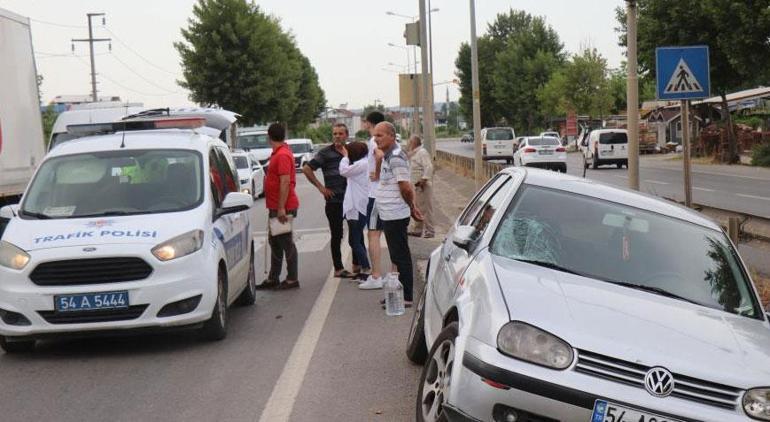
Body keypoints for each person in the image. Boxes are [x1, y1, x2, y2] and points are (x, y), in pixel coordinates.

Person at [372, 121, 423, 306]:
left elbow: (406, 187)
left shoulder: (395, 157)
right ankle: (399, 293)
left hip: (395, 214)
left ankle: (407, 297)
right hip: (388, 213)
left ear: (392, 136)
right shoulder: (387, 156)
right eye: (375, 135)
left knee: (400, 255)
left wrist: (412, 208)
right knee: (396, 256)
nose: (376, 139)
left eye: (380, 135)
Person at [302, 123, 351, 278]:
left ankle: (358, 265)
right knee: (337, 235)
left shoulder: (351, 151)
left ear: (346, 135)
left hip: (352, 200)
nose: (337, 136)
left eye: (340, 133)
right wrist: (321, 188)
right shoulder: (325, 153)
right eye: (335, 133)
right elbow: (307, 169)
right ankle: (338, 268)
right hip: (334, 201)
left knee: (356, 234)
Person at [261, 123, 299, 290]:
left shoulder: (282, 155)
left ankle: (292, 278)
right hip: (276, 205)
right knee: (275, 242)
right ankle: (273, 277)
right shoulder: (279, 152)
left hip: (282, 206)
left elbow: (285, 181)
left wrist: (281, 208)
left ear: (269, 136)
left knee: (285, 242)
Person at [358, 111, 388, 290]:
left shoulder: (373, 141)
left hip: (376, 195)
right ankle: (393, 274)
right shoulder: (389, 140)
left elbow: (379, 156)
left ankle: (376, 275)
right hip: (385, 194)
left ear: (369, 123)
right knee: (387, 234)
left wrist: (376, 173)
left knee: (373, 234)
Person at [338, 141, 371, 279]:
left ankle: (366, 269)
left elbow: (343, 171)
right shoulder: (364, 163)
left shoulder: (362, 164)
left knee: (354, 241)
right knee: (356, 239)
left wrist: (345, 156)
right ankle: (364, 268)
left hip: (357, 207)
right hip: (357, 206)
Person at [406, 135, 435, 238]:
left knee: (426, 208)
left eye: (409, 142)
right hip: (416, 186)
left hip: (422, 185)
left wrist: (423, 180)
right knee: (417, 207)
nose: (408, 143)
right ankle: (418, 229)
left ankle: (430, 230)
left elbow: (429, 167)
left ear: (414, 143)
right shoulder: (415, 153)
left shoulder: (422, 152)